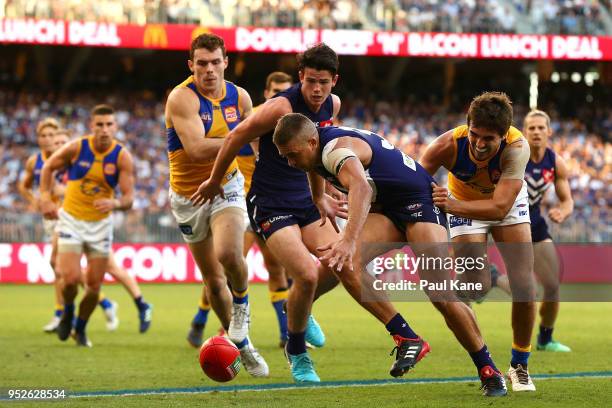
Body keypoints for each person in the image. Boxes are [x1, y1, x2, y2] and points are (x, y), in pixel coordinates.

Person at [271, 115, 508, 396]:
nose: (290, 163)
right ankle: (405, 336)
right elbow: (312, 165)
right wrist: (317, 197)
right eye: (285, 157)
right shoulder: (313, 147)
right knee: (342, 264)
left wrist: (348, 239)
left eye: (292, 155)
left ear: (310, 142)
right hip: (386, 206)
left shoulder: (335, 150)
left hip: (418, 201)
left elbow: (358, 186)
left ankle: (489, 370)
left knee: (439, 293)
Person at [190, 43, 345, 383]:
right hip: (270, 202)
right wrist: (215, 180)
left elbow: (318, 152)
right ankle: (298, 352)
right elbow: (234, 136)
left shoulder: (332, 104)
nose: (318, 90)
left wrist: (323, 194)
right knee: (304, 274)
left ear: (334, 80)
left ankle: (297, 308)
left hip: (306, 198)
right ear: (301, 76)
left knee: (340, 262)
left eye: (324, 82)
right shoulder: (279, 107)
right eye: (311, 81)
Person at [164, 33, 268, 376]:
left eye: (215, 62)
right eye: (201, 63)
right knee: (211, 279)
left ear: (226, 62)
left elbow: (258, 145)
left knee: (228, 254)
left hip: (227, 184)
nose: (209, 70)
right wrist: (240, 137)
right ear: (191, 66)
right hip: (187, 196)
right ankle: (243, 345)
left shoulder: (240, 97)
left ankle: (241, 311)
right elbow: (195, 149)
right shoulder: (182, 98)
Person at [419, 92, 537, 392]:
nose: (480, 144)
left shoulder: (517, 147)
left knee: (525, 286)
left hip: (503, 203)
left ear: (504, 135)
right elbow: (415, 184)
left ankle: (519, 364)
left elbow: (499, 207)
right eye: (474, 134)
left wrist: (451, 207)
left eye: (489, 139)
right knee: (477, 285)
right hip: (462, 202)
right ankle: (485, 281)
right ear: (466, 125)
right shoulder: (445, 145)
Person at [190, 72, 295, 349]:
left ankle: (286, 333)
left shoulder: (291, 125)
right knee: (228, 264)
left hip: (268, 202)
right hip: (240, 201)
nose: (279, 96)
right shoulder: (254, 120)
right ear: (266, 91)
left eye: (285, 91)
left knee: (276, 268)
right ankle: (206, 321)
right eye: (275, 91)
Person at [39, 104, 134, 347]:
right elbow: (48, 167)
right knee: (69, 280)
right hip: (71, 219)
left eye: (109, 124)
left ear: (115, 126)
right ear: (92, 126)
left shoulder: (122, 156)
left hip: (100, 226)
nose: (104, 129)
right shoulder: (77, 147)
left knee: (93, 288)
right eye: (99, 124)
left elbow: (128, 199)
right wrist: (44, 198)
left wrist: (114, 203)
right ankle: (68, 310)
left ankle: (80, 328)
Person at [492, 110, 573, 352]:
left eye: (541, 128)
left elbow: (567, 199)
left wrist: (563, 211)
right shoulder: (513, 155)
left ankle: (546, 339)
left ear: (549, 131)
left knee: (552, 285)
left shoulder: (556, 162)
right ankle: (494, 278)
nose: (536, 132)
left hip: (535, 222)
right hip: (508, 221)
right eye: (531, 128)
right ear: (524, 132)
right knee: (527, 289)